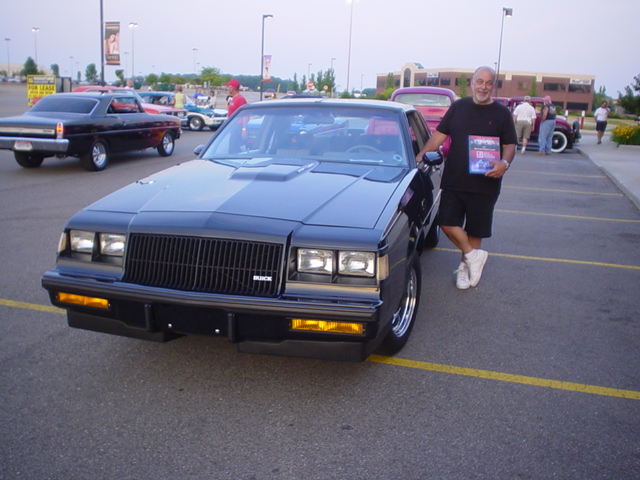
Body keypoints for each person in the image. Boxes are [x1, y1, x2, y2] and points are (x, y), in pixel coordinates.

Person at [416, 66, 517, 290]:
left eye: (488, 83)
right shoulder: (458, 108)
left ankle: (464, 269)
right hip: (455, 179)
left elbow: (510, 144)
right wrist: (420, 156)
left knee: (475, 230)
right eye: (479, 81)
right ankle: (473, 257)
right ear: (472, 83)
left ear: (493, 86)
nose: (483, 86)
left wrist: (505, 164)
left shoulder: (502, 114)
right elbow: (439, 136)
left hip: (486, 183)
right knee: (446, 222)